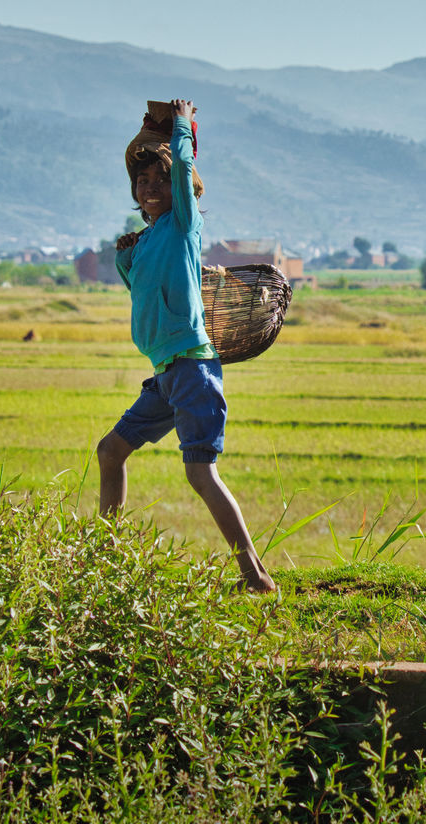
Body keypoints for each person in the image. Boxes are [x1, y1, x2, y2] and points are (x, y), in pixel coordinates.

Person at [95, 98, 276, 593]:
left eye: (160, 181)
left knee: (201, 474)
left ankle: (255, 576)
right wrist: (123, 260)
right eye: (143, 182)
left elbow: (182, 172)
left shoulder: (182, 227)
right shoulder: (149, 240)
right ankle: (103, 562)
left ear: (181, 191)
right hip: (167, 376)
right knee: (110, 452)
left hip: (193, 372)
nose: (150, 189)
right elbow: (144, 295)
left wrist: (180, 128)